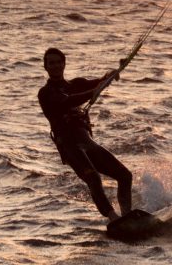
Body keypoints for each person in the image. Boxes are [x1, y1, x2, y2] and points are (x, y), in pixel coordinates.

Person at [38, 47, 132, 221]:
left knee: (125, 176)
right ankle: (114, 219)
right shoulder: (45, 93)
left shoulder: (76, 84)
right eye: (51, 63)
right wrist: (92, 93)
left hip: (86, 142)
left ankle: (128, 217)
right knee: (93, 179)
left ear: (64, 63)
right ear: (46, 67)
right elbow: (67, 101)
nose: (56, 66)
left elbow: (98, 82)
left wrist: (110, 75)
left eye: (59, 62)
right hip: (68, 146)